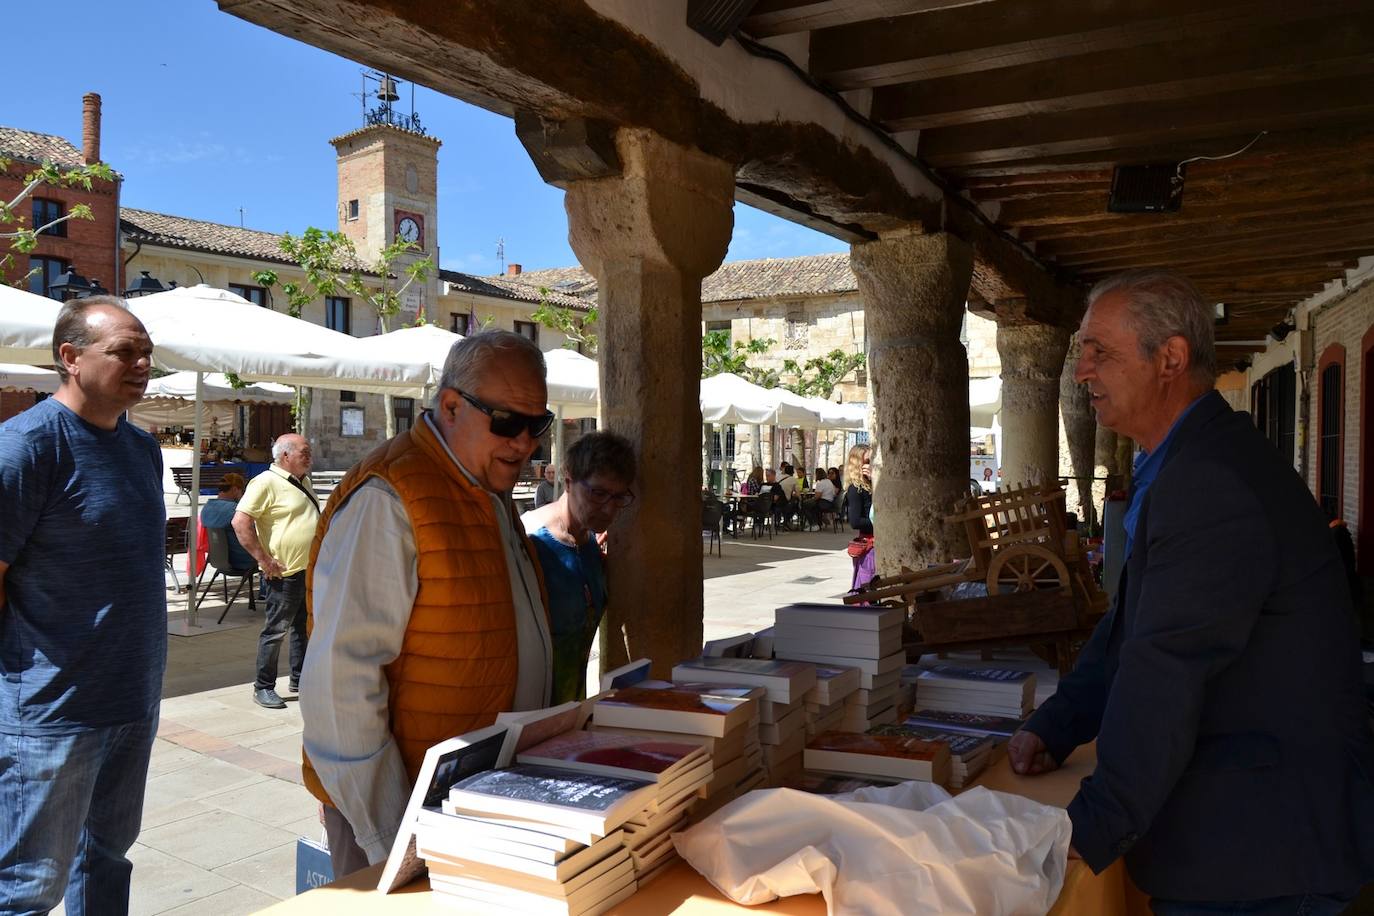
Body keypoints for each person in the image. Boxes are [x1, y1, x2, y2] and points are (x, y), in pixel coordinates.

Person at [1007, 270, 1374, 914]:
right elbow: (1131, 628)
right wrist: (1057, 725)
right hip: (1252, 837)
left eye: (1101, 352)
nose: (1082, 372)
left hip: (1260, 852)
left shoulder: (1210, 480)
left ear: (1170, 359)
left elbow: (1167, 666)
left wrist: (1090, 824)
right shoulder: (1188, 461)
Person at [301, 330, 555, 877]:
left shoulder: (485, 486)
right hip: (405, 819)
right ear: (450, 406)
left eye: (539, 425)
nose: (525, 442)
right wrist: (394, 838)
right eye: (508, 422)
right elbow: (340, 685)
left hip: (473, 796)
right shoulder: (389, 498)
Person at [0, 297, 164, 914]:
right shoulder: (26, 447)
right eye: (125, 351)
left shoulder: (142, 449)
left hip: (132, 700)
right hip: (51, 711)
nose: (143, 363)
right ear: (70, 357)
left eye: (147, 352)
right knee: (25, 887)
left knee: (105, 861)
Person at [521, 432, 637, 704]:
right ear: (569, 480)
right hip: (524, 719)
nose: (609, 509)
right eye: (598, 493)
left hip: (570, 717)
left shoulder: (590, 547)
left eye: (619, 497)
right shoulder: (528, 542)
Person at [232, 433, 319, 710]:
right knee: (276, 630)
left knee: (302, 629)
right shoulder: (265, 482)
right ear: (285, 456)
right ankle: (263, 686)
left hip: (307, 569)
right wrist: (264, 559)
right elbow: (240, 522)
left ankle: (300, 679)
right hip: (284, 572)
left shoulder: (302, 481)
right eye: (304, 453)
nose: (309, 457)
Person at [199, 472, 254, 571]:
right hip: (242, 560)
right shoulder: (236, 510)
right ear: (235, 489)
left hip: (217, 559)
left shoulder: (206, 509)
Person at [843, 445, 873, 536]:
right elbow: (855, 522)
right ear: (858, 465)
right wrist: (881, 523)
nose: (870, 465)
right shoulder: (856, 488)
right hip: (870, 538)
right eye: (868, 461)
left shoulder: (871, 483)